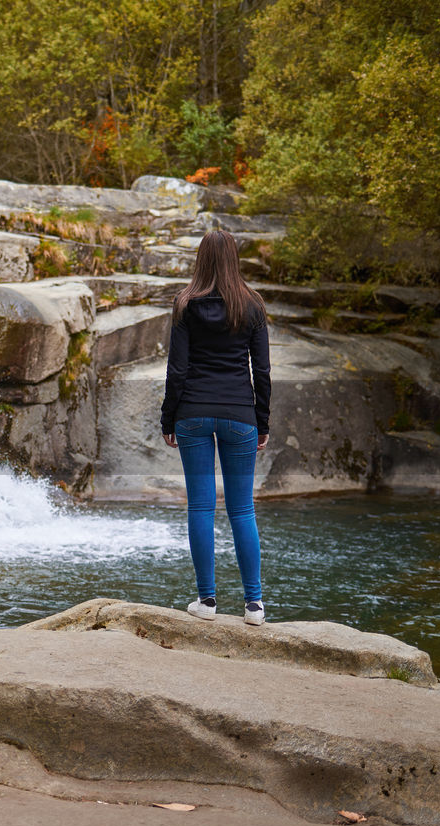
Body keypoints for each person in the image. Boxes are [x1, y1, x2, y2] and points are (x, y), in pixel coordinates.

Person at [160, 230, 271, 626]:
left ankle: (206, 602)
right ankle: (254, 605)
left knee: (201, 507)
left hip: (192, 413)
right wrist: (263, 422)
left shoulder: (185, 303)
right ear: (234, 260)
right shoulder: (253, 305)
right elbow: (262, 370)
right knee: (242, 510)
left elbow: (177, 369)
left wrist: (168, 418)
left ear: (201, 259)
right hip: (240, 415)